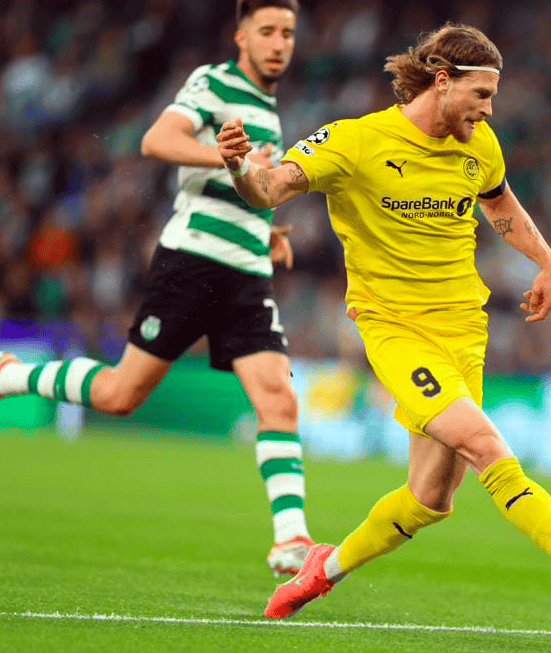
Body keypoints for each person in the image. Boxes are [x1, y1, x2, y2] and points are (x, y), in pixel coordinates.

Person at [216, 24, 551, 619]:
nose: (489, 110)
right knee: (484, 443)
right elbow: (269, 188)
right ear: (441, 82)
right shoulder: (355, 141)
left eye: (492, 96)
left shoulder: (479, 144)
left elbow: (499, 202)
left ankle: (322, 570)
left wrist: (548, 262)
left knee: (430, 498)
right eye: (481, 95)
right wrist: (238, 168)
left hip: (463, 329)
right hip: (396, 329)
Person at [0, 0, 315, 575]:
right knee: (120, 395)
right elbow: (157, 140)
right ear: (240, 36)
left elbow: (245, 183)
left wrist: (265, 230)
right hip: (192, 262)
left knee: (278, 399)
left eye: (288, 33)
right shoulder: (214, 82)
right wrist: (222, 157)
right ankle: (15, 375)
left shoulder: (268, 105)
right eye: (267, 31)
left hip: (247, 271)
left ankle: (290, 540)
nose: (278, 43)